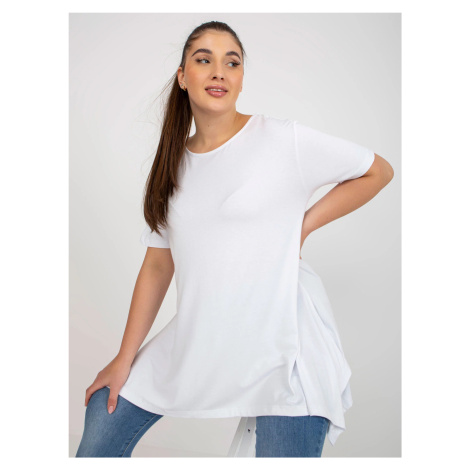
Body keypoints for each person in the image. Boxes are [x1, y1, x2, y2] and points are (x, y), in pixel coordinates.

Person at [75, 20, 394, 458]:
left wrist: (301, 227)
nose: (219, 72)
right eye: (204, 60)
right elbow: (157, 265)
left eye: (232, 63)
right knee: (103, 416)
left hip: (286, 350)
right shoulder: (171, 164)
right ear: (183, 77)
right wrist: (123, 358)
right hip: (205, 336)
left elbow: (377, 170)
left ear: (242, 79)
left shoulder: (282, 139)